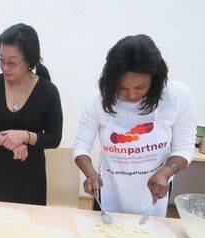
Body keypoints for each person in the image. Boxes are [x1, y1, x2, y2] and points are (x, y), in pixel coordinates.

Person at [73, 34, 196, 216]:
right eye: (122, 88)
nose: (131, 95)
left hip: (155, 194)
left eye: (140, 87)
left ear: (155, 79)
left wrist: (166, 172)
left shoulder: (177, 97)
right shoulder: (98, 100)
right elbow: (81, 148)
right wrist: (90, 174)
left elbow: (184, 149)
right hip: (109, 194)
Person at [0, 23, 63, 205]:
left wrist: (26, 136)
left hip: (29, 175)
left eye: (12, 62)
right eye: (1, 60)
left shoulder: (48, 91)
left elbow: (54, 138)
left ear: (29, 60)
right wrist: (9, 141)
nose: (5, 67)